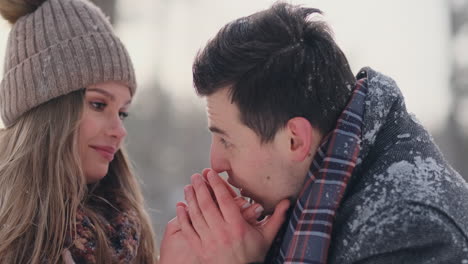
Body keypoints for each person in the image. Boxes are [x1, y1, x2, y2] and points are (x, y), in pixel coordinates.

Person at [172, 2, 468, 264]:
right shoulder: (307, 196)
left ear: (295, 140)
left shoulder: (410, 231)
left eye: (227, 140)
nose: (216, 163)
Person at [0, 0, 157, 263]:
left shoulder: (129, 236)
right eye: (98, 104)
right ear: (47, 111)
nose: (119, 131)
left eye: (122, 112)